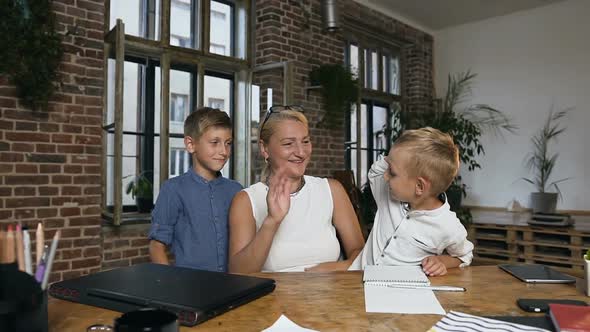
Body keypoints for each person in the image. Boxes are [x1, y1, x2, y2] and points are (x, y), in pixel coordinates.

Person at [228, 106, 365, 273]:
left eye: (305, 141)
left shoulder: (331, 190)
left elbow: (361, 255)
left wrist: (332, 269)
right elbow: (238, 273)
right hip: (273, 298)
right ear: (264, 149)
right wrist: (272, 221)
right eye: (288, 143)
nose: (301, 152)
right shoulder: (246, 200)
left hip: (330, 295)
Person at [349, 127, 474, 276]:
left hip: (399, 293)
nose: (385, 176)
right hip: (355, 281)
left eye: (392, 173)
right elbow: (376, 171)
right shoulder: (387, 193)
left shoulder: (448, 226)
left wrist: (442, 262)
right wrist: (396, 155)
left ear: (419, 186)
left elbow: (464, 256)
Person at [148, 107, 243, 272]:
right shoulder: (173, 189)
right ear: (191, 144)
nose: (224, 151)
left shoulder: (237, 190)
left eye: (228, 143)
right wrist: (172, 283)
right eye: (215, 143)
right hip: (189, 288)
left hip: (234, 283)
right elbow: (156, 246)